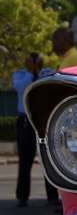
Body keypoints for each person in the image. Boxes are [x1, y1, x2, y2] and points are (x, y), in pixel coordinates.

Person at [11, 53, 59, 207]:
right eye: (30, 60)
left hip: (43, 120)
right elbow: (20, 88)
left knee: (47, 158)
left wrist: (38, 70)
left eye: (35, 59)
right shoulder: (19, 75)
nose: (32, 62)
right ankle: (22, 196)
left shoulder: (45, 73)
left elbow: (49, 84)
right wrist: (31, 73)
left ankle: (52, 197)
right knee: (25, 161)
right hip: (25, 121)